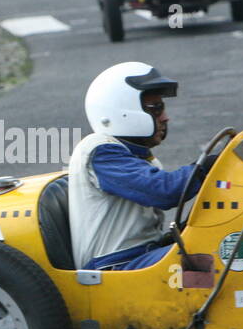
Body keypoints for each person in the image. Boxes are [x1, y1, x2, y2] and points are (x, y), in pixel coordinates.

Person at [68, 62, 210, 271]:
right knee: (213, 260)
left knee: (221, 240)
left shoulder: (137, 157)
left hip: (143, 257)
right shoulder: (102, 151)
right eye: (156, 109)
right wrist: (207, 166)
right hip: (115, 267)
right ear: (121, 111)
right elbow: (164, 191)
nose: (165, 117)